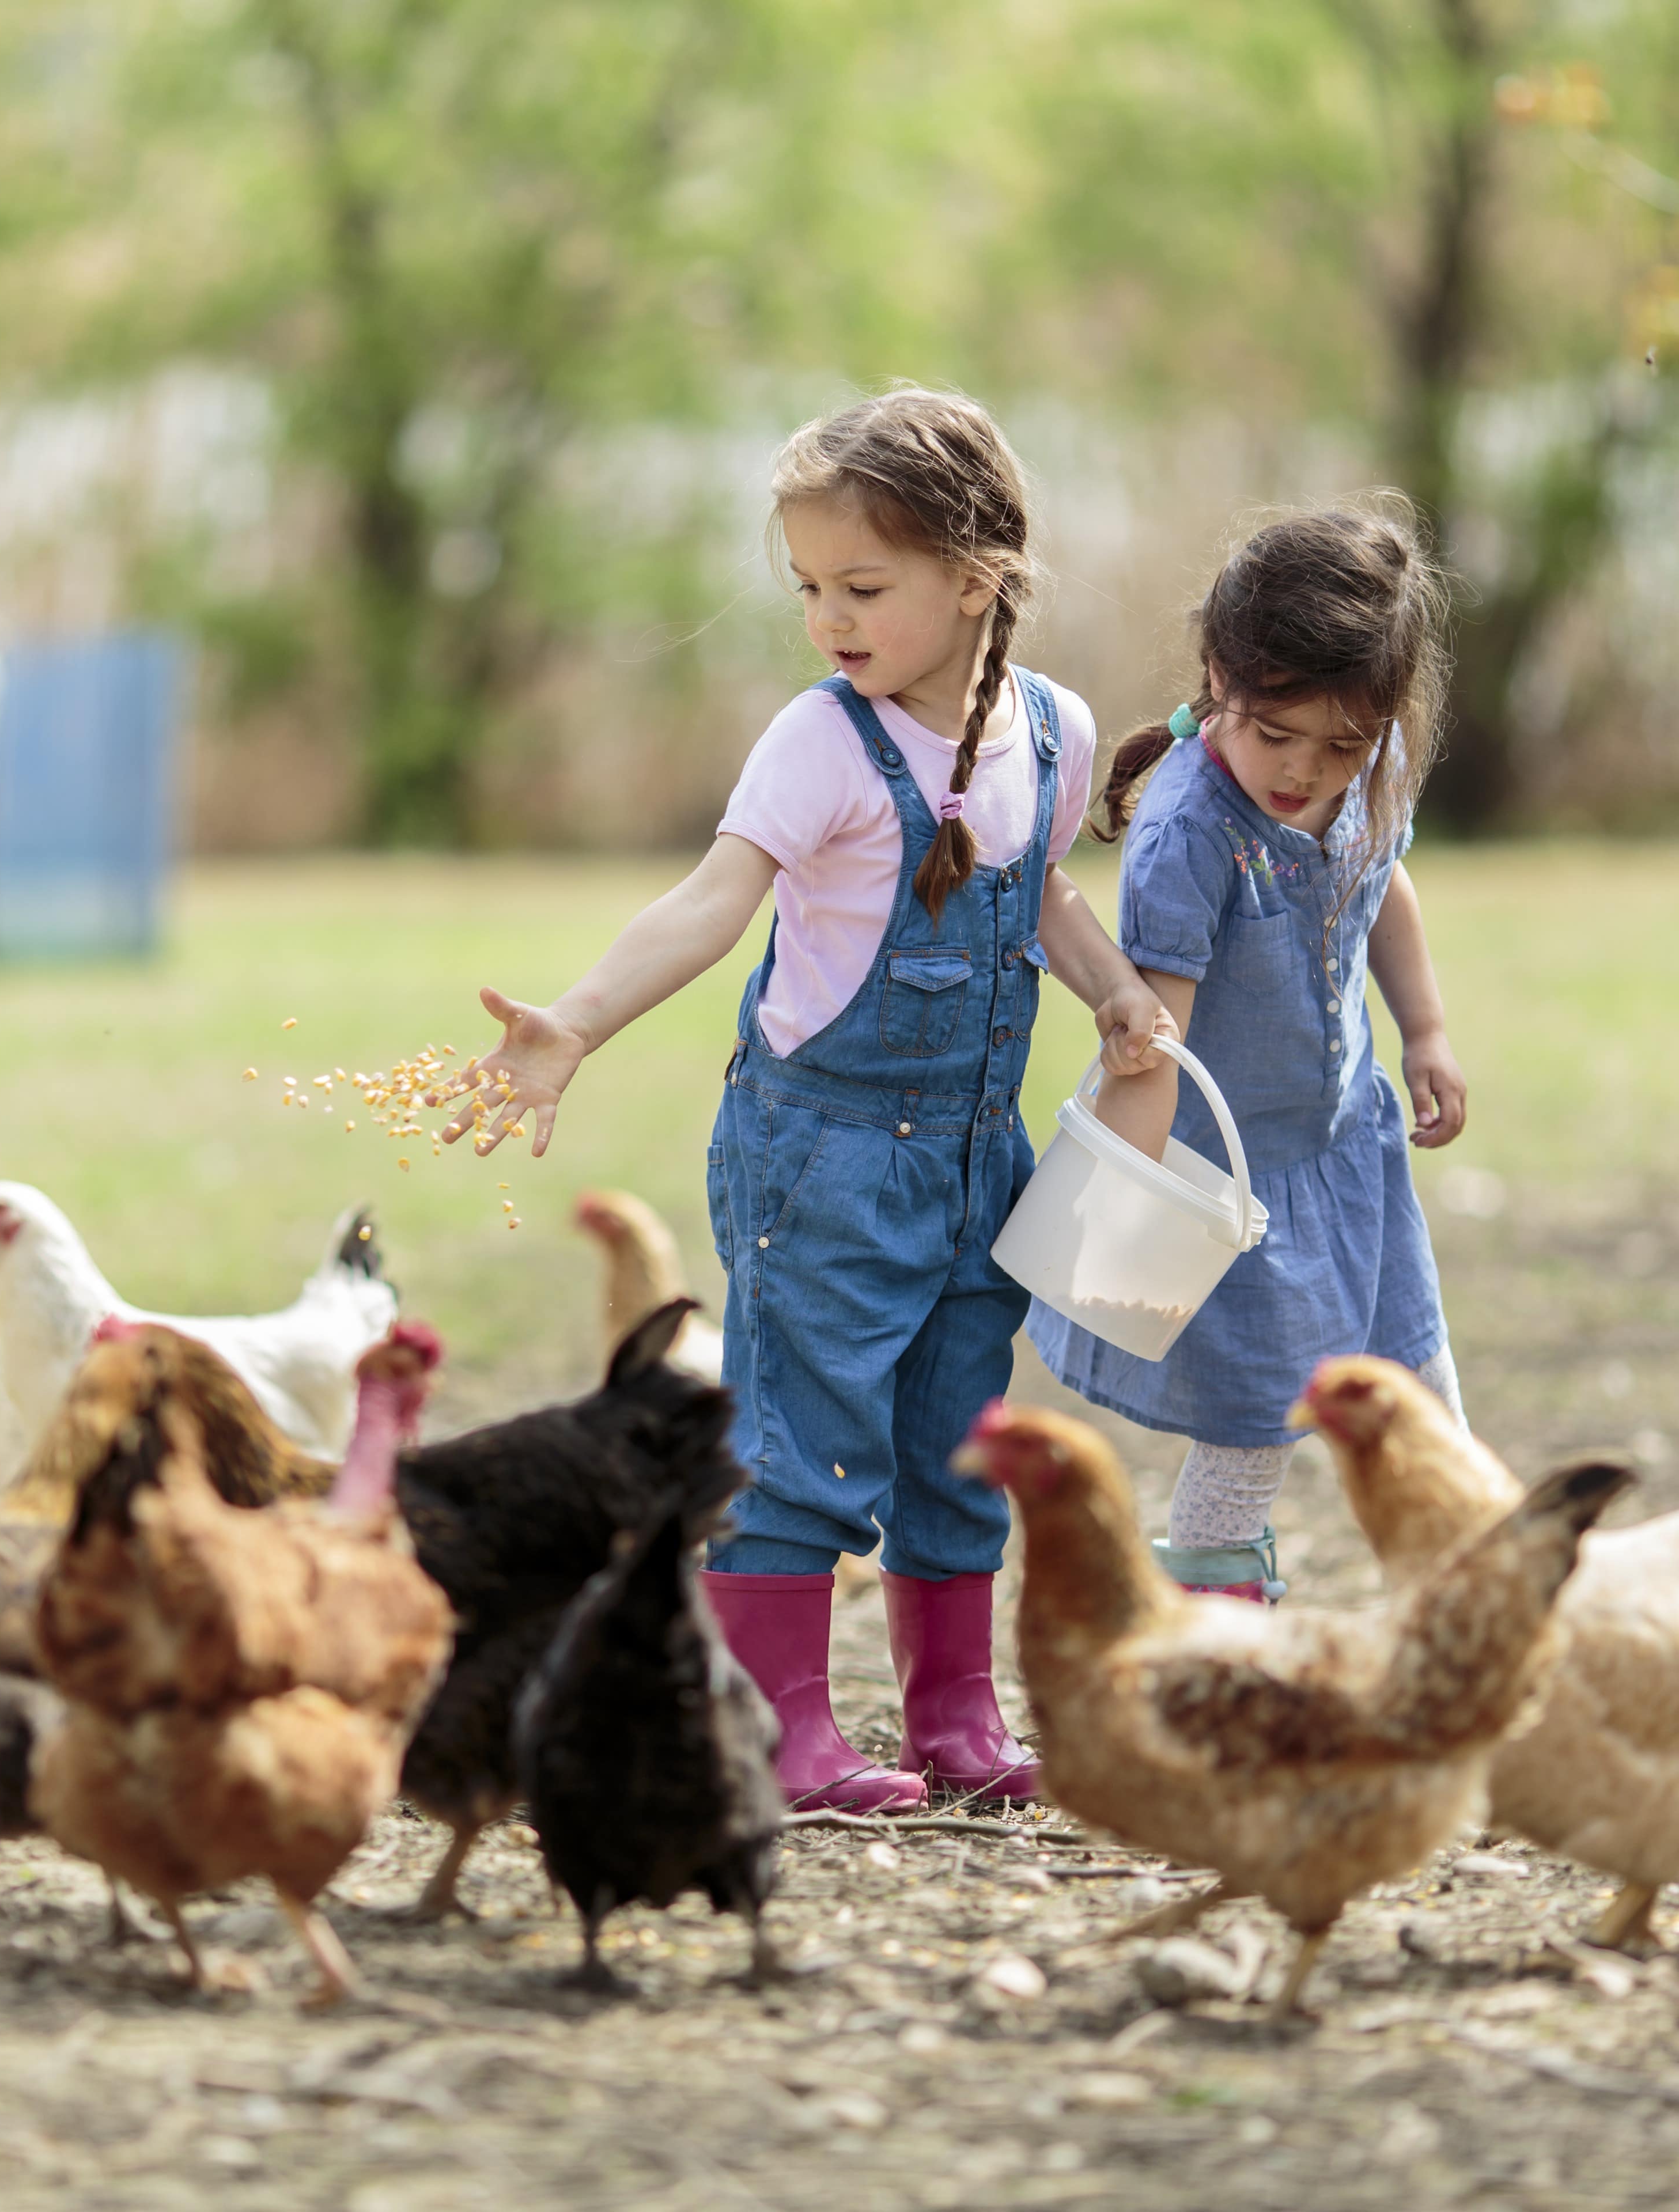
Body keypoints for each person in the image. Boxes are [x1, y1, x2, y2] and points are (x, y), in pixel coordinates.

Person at [441, 388, 1170, 1810]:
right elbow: (713, 903)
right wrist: (575, 1021)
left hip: (979, 1158)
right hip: (820, 1155)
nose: (829, 618)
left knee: (959, 1439)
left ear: (977, 581)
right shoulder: (820, 742)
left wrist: (1115, 989)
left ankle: (955, 1717)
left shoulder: (1054, 730)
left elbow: (1042, 895)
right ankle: (780, 1726)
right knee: (803, 1441)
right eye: (808, 589)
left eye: (864, 587)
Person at [1026, 502, 1469, 1602]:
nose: (1306, 771)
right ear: (1222, 675)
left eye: (1342, 746)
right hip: (1239, 1187)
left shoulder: (1371, 765)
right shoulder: (1191, 834)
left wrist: (1425, 1030)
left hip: (1347, 1149)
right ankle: (1212, 1614)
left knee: (1419, 1383)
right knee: (1253, 1428)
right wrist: (1114, 1213)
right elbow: (1152, 1039)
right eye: (1277, 736)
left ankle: (1470, 1587)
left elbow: (1381, 884)